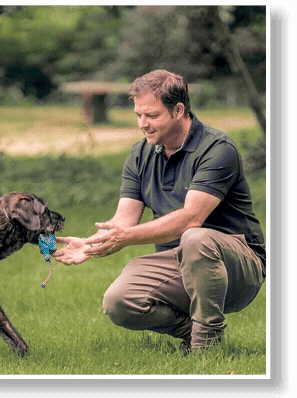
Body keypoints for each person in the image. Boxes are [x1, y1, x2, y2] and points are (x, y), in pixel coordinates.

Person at [52, 69, 266, 354]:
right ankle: (192, 333)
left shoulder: (217, 149)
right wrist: (91, 245)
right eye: (138, 115)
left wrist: (126, 237)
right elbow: (123, 221)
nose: (143, 123)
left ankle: (206, 347)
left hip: (238, 267)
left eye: (151, 116)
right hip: (179, 262)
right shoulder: (140, 154)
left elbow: (192, 218)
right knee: (119, 301)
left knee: (195, 237)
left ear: (178, 110)